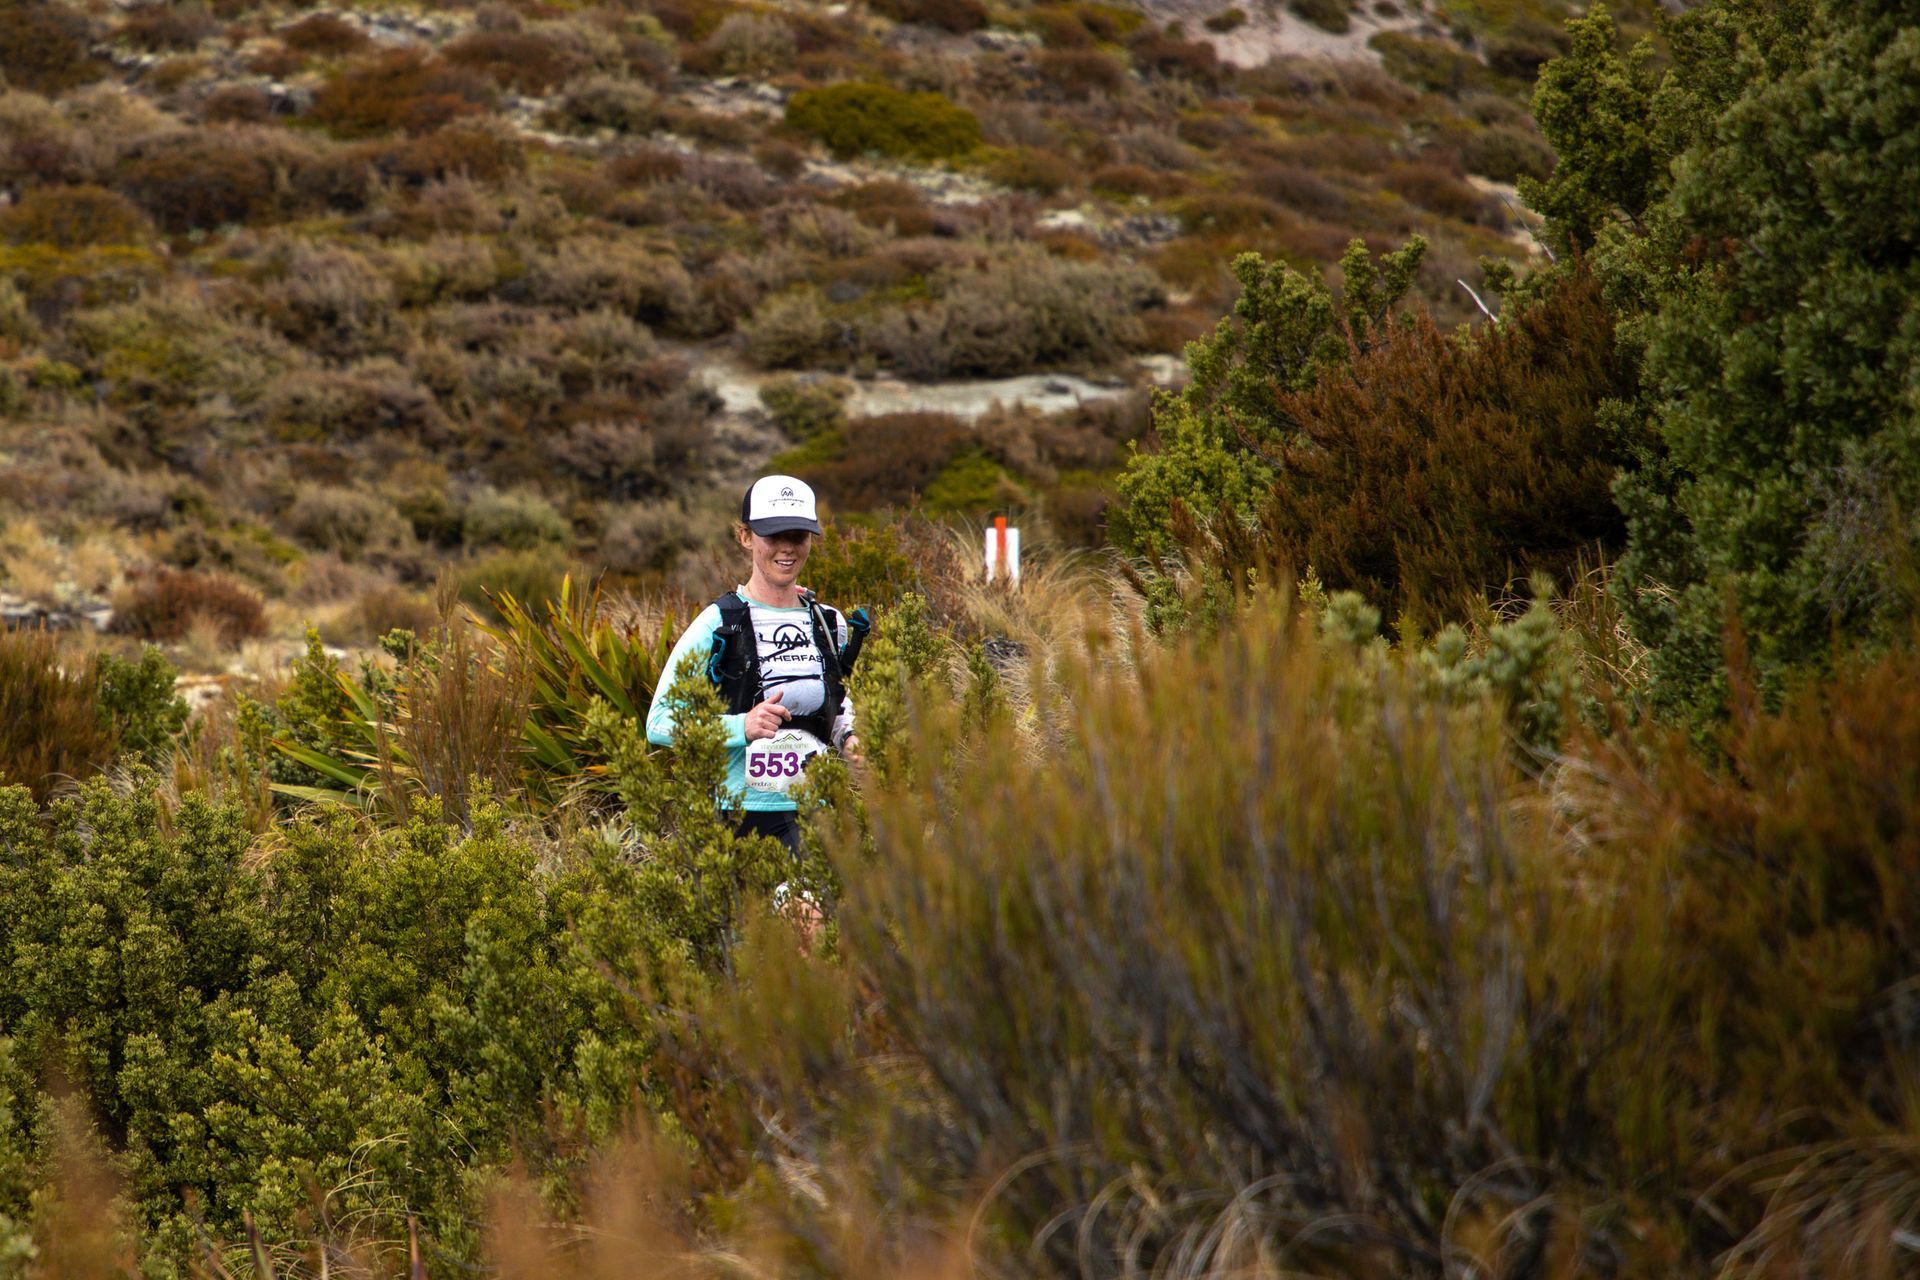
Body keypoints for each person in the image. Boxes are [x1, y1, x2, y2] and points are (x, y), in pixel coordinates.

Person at [645, 475, 863, 858]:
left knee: (810, 916)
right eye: (772, 535)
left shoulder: (830, 624)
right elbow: (659, 722)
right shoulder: (718, 623)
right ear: (745, 537)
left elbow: (838, 705)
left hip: (816, 812)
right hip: (735, 815)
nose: (786, 548)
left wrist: (851, 740)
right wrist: (740, 726)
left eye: (797, 536)